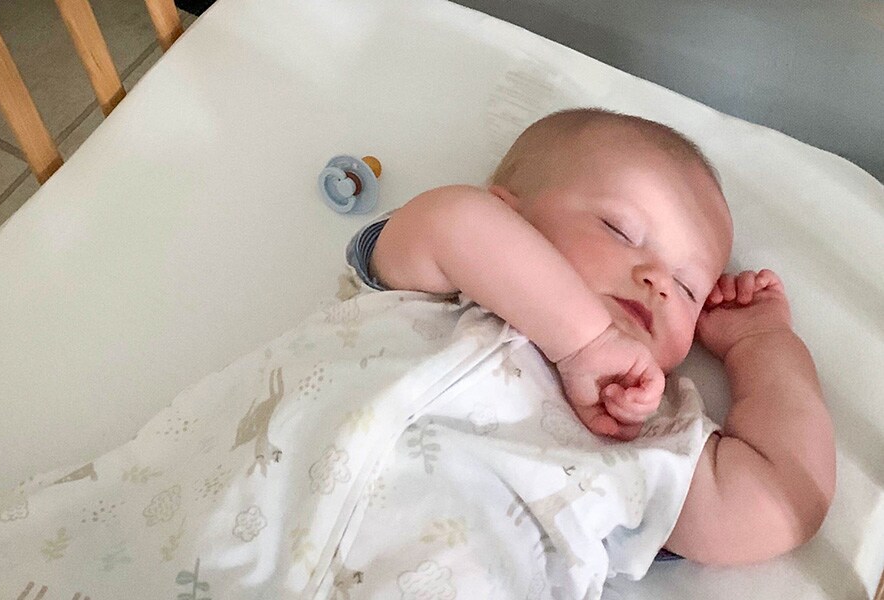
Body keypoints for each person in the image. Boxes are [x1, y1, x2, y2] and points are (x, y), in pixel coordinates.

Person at [346, 108, 835, 565]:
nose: (658, 281)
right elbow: (453, 219)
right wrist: (586, 342)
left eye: (688, 288)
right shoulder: (437, 289)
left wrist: (762, 344)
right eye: (619, 230)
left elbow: (782, 500)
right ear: (509, 213)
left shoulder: (638, 433)